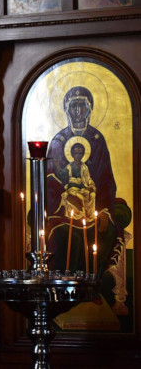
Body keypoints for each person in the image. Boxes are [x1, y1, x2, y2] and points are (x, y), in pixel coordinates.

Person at [46, 86, 123, 277]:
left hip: (92, 209)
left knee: (107, 231)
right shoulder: (58, 141)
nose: (78, 111)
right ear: (67, 110)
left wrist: (103, 210)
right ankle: (63, 284)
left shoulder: (97, 140)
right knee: (63, 235)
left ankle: (92, 284)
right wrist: (65, 198)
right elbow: (50, 180)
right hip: (64, 210)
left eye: (82, 106)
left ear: (90, 110)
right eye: (74, 106)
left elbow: (106, 179)